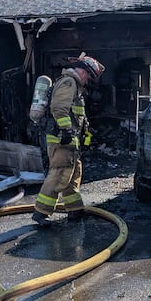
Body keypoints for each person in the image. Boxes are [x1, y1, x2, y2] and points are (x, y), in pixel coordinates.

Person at [32, 53, 105, 225]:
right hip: (61, 139)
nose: (88, 80)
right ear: (83, 71)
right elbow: (59, 108)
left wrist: (84, 136)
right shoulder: (68, 82)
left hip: (71, 141)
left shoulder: (77, 88)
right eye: (88, 76)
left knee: (73, 176)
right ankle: (41, 213)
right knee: (59, 174)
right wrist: (65, 131)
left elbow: (78, 117)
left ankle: (75, 210)